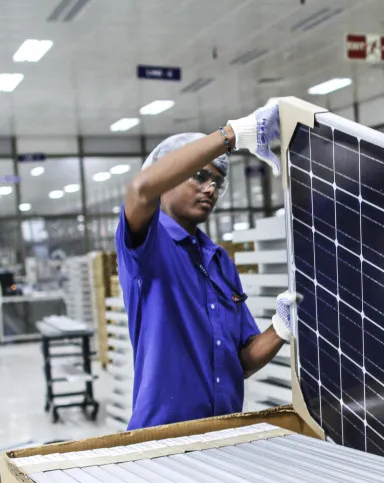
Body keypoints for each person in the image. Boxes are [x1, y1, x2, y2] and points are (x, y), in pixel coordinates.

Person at [117, 104, 298, 430]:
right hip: (161, 441)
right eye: (199, 176)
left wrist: (282, 328)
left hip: (222, 433)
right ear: (168, 179)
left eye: (218, 181)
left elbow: (240, 360)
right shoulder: (148, 248)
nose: (211, 188)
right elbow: (140, 190)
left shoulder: (219, 262)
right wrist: (231, 135)